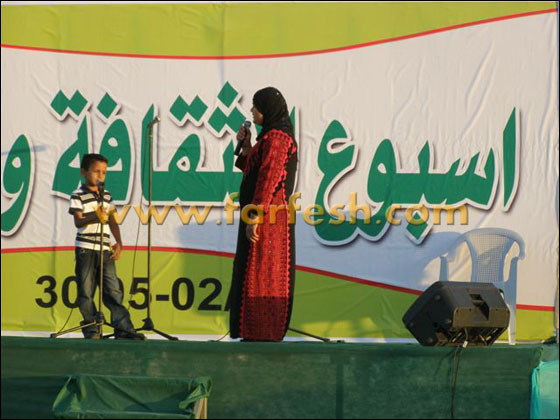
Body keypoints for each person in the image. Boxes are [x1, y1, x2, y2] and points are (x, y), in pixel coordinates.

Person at [229, 87, 298, 341]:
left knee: (264, 273)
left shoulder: (278, 139)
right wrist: (247, 147)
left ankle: (264, 332)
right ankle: (252, 331)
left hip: (269, 220)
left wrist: (256, 215)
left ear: (267, 109)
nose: (251, 111)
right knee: (253, 271)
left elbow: (269, 178)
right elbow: (255, 171)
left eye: (256, 107)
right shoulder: (268, 138)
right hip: (261, 215)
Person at [69, 153, 142, 339]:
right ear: (84, 172)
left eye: (104, 172)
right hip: (85, 249)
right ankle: (92, 328)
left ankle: (123, 328)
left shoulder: (106, 195)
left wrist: (119, 243)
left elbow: (112, 221)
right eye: (96, 171)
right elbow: (78, 221)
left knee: (113, 290)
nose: (100, 176)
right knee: (86, 292)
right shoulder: (78, 195)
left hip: (105, 249)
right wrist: (96, 215)